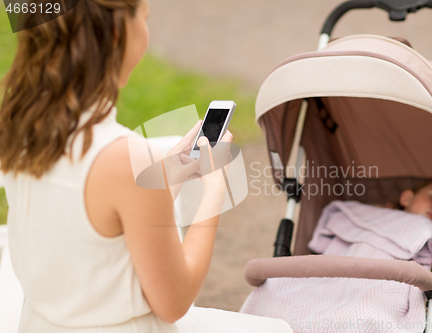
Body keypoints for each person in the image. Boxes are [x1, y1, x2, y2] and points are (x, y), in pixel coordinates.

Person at [0, 0, 292, 332]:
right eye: (145, 18)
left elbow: (93, 228)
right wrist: (213, 191)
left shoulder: (19, 127)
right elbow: (174, 301)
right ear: (116, 32)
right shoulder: (124, 158)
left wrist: (169, 173)